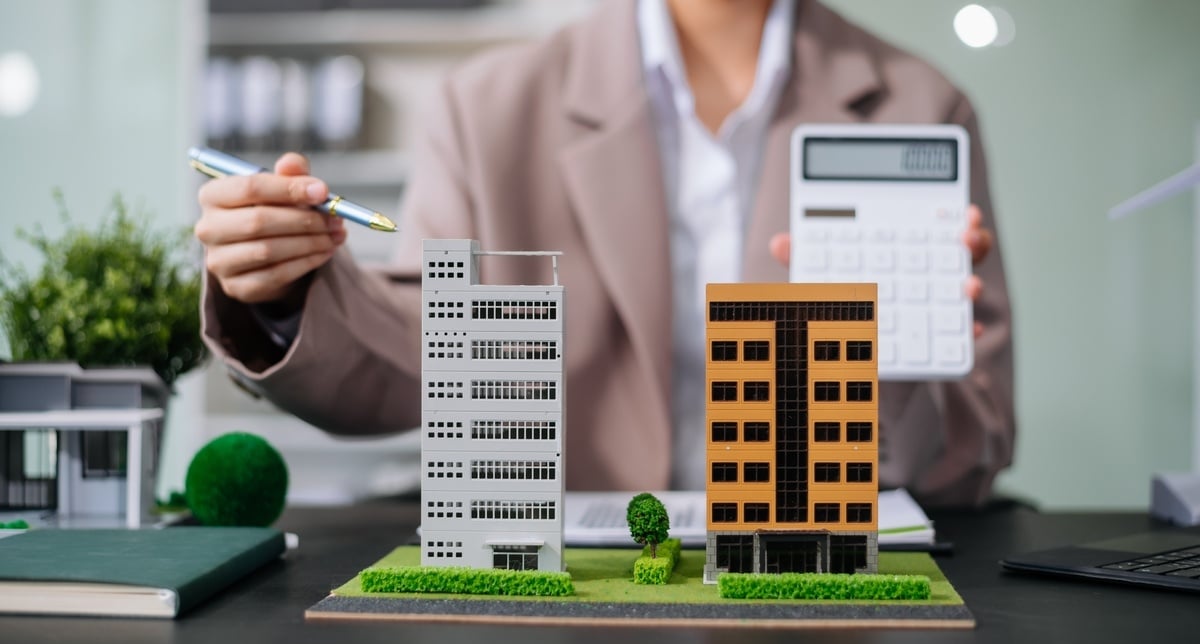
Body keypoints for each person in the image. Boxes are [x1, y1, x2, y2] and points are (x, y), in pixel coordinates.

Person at [194, 0, 1014, 507]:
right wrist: (288, 292)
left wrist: (888, 355)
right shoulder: (489, 107)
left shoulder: (922, 104)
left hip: (811, 581)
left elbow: (977, 440)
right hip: (572, 587)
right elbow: (427, 359)